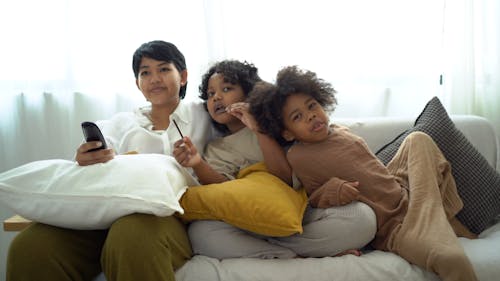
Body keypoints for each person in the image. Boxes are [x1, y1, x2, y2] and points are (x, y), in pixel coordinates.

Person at [6, 40, 215, 281]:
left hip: (166, 220)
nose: (154, 78)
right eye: (145, 72)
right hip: (104, 218)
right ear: (138, 83)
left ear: (184, 76)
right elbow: (89, 175)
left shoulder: (205, 117)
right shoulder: (118, 124)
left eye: (164, 69)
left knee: (130, 235)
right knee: (31, 246)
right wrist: (84, 160)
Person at [247, 65, 479, 281]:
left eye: (311, 106)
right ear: (287, 133)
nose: (310, 115)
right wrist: (334, 190)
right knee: (452, 259)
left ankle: (431, 214)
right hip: (393, 228)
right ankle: (435, 218)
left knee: (418, 139)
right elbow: (311, 199)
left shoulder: (339, 130)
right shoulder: (298, 156)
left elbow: (373, 169)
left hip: (403, 190)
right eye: (297, 117)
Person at [173, 60, 376, 259]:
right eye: (210, 94)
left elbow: (285, 179)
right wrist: (198, 163)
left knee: (362, 218)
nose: (216, 97)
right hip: (252, 220)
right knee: (200, 233)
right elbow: (224, 190)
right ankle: (296, 253)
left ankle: (294, 251)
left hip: (301, 213)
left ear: (249, 94)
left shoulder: (277, 126)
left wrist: (259, 130)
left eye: (226, 89)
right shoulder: (217, 148)